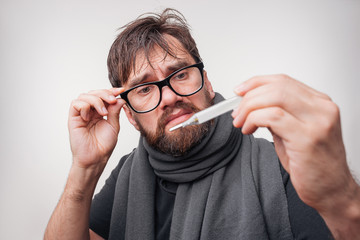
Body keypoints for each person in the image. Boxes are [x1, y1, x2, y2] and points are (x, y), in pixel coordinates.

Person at [44, 8, 360, 240]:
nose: (168, 97)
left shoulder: (281, 166)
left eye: (180, 74)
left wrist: (340, 198)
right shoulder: (127, 173)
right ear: (129, 115)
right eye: (144, 88)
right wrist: (84, 168)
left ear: (206, 83)